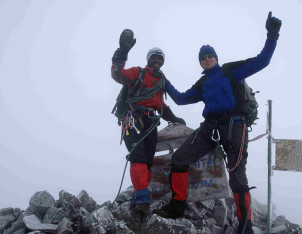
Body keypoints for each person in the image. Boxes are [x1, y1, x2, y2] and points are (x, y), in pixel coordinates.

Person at [153, 12, 282, 233]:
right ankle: (177, 208)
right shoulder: (203, 82)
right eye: (203, 58)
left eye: (210, 56)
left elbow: (263, 60)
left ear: (216, 57)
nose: (207, 59)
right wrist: (165, 82)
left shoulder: (231, 71)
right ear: (201, 62)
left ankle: (245, 225)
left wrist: (272, 35)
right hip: (209, 127)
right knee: (180, 159)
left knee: (237, 176)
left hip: (234, 125)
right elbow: (182, 99)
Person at [111, 29, 186, 215]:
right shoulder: (138, 72)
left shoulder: (161, 80)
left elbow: (161, 105)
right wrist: (122, 52)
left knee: (147, 161)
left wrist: (173, 118)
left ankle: (137, 200)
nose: (157, 60)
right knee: (138, 158)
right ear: (148, 59)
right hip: (133, 120)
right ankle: (143, 200)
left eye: (160, 59)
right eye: (154, 57)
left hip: (151, 122)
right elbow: (117, 75)